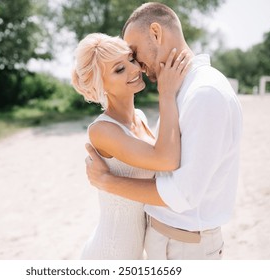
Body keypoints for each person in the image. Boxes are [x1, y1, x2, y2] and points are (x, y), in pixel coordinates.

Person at [85, 2, 243, 260]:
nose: (139, 67)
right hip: (167, 244)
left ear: (156, 33)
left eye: (134, 54)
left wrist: (106, 182)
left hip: (183, 247)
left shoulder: (204, 94)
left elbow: (181, 193)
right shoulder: (185, 90)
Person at [71, 33, 190, 259]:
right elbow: (166, 160)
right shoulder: (102, 130)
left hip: (136, 250)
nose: (134, 69)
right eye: (119, 69)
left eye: (131, 59)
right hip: (111, 251)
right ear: (101, 85)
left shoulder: (140, 117)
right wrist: (166, 93)